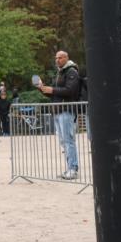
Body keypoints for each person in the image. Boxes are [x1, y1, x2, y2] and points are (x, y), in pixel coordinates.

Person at [39, 50, 82, 179]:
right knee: (64, 142)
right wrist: (42, 88)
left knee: (69, 141)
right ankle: (69, 168)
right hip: (57, 111)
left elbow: (70, 90)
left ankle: (73, 169)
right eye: (56, 58)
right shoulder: (60, 73)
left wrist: (52, 90)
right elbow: (54, 93)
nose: (57, 60)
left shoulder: (71, 71)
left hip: (67, 111)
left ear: (66, 58)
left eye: (60, 58)